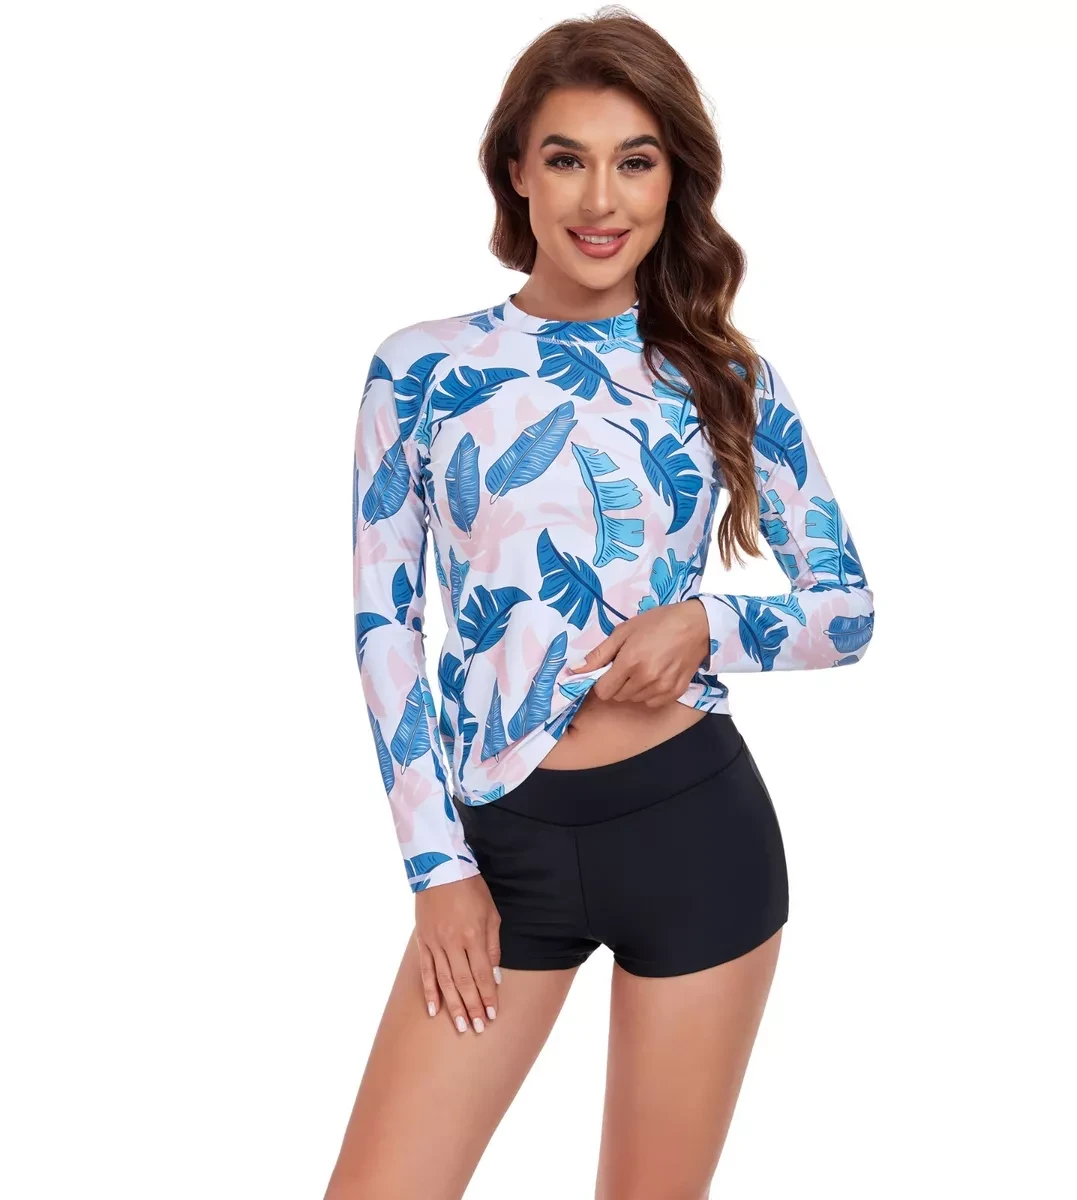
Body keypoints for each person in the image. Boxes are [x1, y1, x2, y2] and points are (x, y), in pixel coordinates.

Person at [328, 9, 874, 1199]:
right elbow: (383, 628)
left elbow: (846, 610)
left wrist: (707, 624)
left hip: (695, 831)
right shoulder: (422, 368)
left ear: (675, 180)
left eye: (636, 161)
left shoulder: (724, 375)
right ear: (516, 171)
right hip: (500, 848)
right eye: (567, 157)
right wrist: (436, 869)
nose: (600, 197)